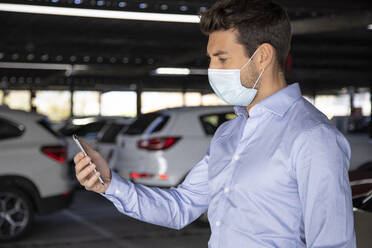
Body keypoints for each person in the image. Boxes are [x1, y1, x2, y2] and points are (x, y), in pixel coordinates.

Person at [74, 0, 356, 247]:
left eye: (222, 59)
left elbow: (333, 243)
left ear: (262, 57)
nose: (213, 70)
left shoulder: (313, 137)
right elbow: (181, 207)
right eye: (211, 59)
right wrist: (110, 184)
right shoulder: (229, 133)